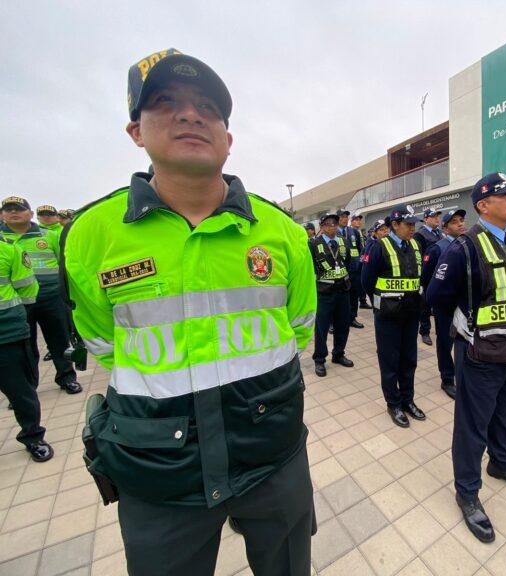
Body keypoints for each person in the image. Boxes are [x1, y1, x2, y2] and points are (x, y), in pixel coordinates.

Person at [63, 49, 317, 576]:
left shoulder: (283, 234)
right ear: (136, 130)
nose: (189, 114)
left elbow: (299, 329)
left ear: (228, 138)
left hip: (272, 451)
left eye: (208, 106)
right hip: (158, 467)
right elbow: (102, 340)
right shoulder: (91, 234)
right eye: (165, 103)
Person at [427, 173, 506, 544]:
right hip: (479, 353)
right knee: (473, 425)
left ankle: (502, 464)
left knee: (505, 415)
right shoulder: (463, 248)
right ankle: (468, 491)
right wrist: (467, 325)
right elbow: (437, 298)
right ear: (482, 205)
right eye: (504, 195)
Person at [0, 197, 81, 394]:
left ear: (30, 213)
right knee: (26, 347)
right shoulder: (3, 242)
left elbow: (64, 262)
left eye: (18, 209)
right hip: (18, 303)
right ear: (2, 215)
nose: (13, 213)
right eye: (8, 210)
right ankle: (28, 388)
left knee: (59, 340)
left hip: (50, 297)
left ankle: (66, 377)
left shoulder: (47, 236)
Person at [362, 204, 426, 428]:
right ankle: (394, 404)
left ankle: (408, 400)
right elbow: (367, 281)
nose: (412, 228)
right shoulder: (379, 247)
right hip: (388, 316)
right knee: (389, 362)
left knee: (409, 360)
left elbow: (420, 278)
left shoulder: (416, 245)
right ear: (395, 225)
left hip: (411, 315)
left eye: (414, 224)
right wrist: (381, 304)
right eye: (408, 224)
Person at [0, 236, 53, 462]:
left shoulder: (9, 249)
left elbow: (28, 287)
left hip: (6, 331)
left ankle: (33, 436)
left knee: (20, 390)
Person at [421, 208, 467, 399]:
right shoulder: (437, 248)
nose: (461, 224)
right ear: (445, 229)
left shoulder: (468, 244)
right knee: (445, 342)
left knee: (464, 341)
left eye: (462, 220)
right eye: (455, 222)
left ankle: (462, 375)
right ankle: (447, 379)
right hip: (445, 306)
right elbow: (426, 279)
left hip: (464, 304)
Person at [309, 213, 354, 377]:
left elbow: (348, 262)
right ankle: (320, 359)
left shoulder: (343, 241)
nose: (333, 227)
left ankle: (339, 354)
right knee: (321, 328)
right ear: (321, 227)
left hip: (342, 290)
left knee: (343, 324)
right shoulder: (314, 244)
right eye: (328, 224)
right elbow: (312, 268)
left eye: (335, 223)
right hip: (324, 293)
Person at [413, 208, 442, 345]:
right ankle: (424, 331)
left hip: (440, 274)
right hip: (426, 275)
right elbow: (418, 257)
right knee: (425, 305)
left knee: (438, 304)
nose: (437, 219)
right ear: (426, 219)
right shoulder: (420, 235)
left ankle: (440, 330)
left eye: (438, 216)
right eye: (433, 216)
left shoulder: (439, 233)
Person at [338, 210, 365, 328]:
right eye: (342, 216)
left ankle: (352, 318)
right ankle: (336, 321)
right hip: (339, 271)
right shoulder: (333, 232)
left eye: (346, 216)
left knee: (354, 295)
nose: (345, 219)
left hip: (353, 270)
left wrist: (359, 262)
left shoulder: (353, 232)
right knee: (339, 296)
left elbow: (360, 249)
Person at [350, 214, 372, 309]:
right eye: (356, 220)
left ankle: (363, 300)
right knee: (357, 284)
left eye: (359, 220)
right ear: (351, 221)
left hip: (362, 260)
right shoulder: (350, 232)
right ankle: (361, 300)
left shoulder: (361, 233)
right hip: (354, 263)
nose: (358, 221)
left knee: (362, 281)